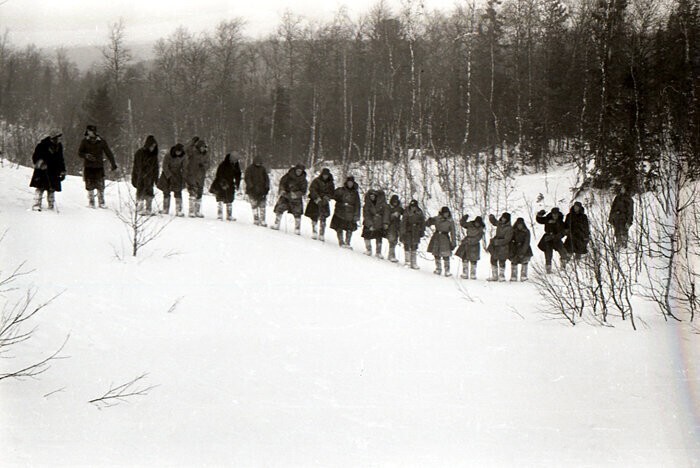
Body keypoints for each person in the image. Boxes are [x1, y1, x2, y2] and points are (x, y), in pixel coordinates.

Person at [78, 125, 117, 208]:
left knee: (100, 186)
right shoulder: (84, 141)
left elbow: (108, 152)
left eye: (91, 131)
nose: (89, 133)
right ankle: (91, 202)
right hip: (88, 166)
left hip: (99, 166)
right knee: (89, 185)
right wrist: (86, 155)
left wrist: (113, 163)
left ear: (94, 132)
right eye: (88, 131)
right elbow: (80, 153)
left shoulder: (101, 141)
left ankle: (101, 202)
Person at [29, 131, 65, 211]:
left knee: (51, 189)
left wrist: (62, 170)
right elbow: (35, 157)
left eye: (58, 137)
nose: (58, 139)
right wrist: (41, 163)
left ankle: (51, 206)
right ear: (51, 138)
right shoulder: (42, 145)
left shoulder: (59, 147)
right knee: (40, 188)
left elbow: (61, 159)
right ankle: (36, 205)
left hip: (54, 171)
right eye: (56, 137)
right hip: (42, 171)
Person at [272, 163, 308, 234]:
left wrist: (297, 194)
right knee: (279, 209)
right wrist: (282, 190)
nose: (299, 172)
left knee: (297, 213)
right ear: (295, 170)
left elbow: (303, 191)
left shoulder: (304, 180)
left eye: (300, 171)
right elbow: (282, 183)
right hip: (285, 196)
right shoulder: (288, 176)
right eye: (298, 170)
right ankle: (276, 224)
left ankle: (297, 228)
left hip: (296, 198)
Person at [131, 135, 159, 215]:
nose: (152, 148)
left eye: (154, 146)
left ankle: (148, 209)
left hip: (150, 177)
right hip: (140, 176)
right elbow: (136, 166)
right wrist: (136, 176)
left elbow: (156, 168)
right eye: (151, 146)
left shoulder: (154, 155)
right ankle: (139, 208)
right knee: (140, 191)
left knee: (149, 192)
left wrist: (156, 178)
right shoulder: (139, 153)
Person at [304, 168, 335, 241]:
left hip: (324, 202)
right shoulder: (316, 181)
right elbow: (312, 189)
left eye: (326, 175)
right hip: (315, 201)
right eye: (324, 175)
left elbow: (332, 192)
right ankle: (314, 231)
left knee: (323, 218)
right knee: (314, 216)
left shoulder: (331, 183)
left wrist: (327, 197)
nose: (325, 176)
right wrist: (316, 197)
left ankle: (322, 233)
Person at [209, 153, 242, 221]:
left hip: (230, 184)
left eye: (236, 160)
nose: (236, 161)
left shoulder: (236, 165)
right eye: (235, 159)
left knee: (230, 199)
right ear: (231, 158)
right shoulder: (223, 164)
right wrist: (222, 183)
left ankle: (229, 215)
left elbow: (238, 175)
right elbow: (219, 174)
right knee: (220, 199)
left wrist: (237, 183)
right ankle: (220, 215)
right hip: (220, 183)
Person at [331, 175, 361, 249]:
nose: (350, 184)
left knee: (349, 229)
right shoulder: (341, 190)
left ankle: (348, 242)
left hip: (350, 213)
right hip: (340, 211)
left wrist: (356, 215)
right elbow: (333, 196)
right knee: (339, 227)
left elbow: (358, 205)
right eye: (349, 182)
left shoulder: (355, 193)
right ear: (346, 183)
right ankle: (341, 241)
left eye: (351, 183)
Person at [536, 207, 569, 273]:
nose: (554, 215)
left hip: (557, 239)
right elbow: (539, 220)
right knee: (548, 254)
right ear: (551, 214)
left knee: (563, 252)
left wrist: (558, 236)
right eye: (553, 214)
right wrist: (539, 215)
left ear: (558, 214)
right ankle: (548, 269)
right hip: (548, 238)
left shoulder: (561, 222)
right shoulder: (547, 219)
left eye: (556, 214)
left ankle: (563, 268)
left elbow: (564, 231)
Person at [426, 206, 457, 277]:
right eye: (445, 213)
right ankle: (438, 268)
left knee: (446, 254)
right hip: (436, 237)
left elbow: (453, 232)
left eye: (447, 213)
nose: (446, 214)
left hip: (445, 238)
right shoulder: (437, 219)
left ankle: (447, 270)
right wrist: (429, 220)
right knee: (436, 253)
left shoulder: (450, 221)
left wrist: (453, 242)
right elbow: (427, 224)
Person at [157, 143, 186, 216]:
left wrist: (183, 175)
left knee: (178, 192)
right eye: (177, 151)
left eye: (180, 152)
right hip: (167, 175)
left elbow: (184, 167)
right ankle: (165, 209)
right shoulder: (168, 155)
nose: (178, 153)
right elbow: (165, 166)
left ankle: (178, 210)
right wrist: (169, 176)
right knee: (166, 192)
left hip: (178, 175)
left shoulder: (183, 156)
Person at [184, 137, 209, 218]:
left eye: (204, 147)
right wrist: (192, 142)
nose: (202, 149)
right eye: (201, 147)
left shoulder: (206, 155)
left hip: (201, 177)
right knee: (192, 193)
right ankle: (191, 211)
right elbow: (186, 150)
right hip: (192, 175)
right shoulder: (193, 152)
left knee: (199, 194)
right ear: (198, 147)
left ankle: (197, 211)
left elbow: (208, 164)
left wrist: (204, 166)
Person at [455, 214, 485, 279]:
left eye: (478, 223)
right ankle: (465, 273)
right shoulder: (470, 225)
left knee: (473, 260)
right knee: (464, 258)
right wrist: (464, 218)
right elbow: (462, 223)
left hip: (474, 245)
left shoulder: (481, 230)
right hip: (466, 243)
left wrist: (470, 241)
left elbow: (478, 238)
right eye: (476, 222)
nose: (477, 224)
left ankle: (473, 274)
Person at [362, 189, 389, 258]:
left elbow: (386, 213)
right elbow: (366, 215)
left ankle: (378, 252)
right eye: (371, 196)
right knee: (366, 235)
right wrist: (369, 224)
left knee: (379, 236)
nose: (372, 197)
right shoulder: (367, 205)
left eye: (373, 196)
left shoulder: (382, 204)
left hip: (379, 222)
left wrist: (385, 222)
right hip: (369, 222)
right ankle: (368, 249)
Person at [487, 212, 513, 282]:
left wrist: (497, 242)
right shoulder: (499, 223)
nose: (503, 219)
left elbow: (507, 239)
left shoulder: (509, 228)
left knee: (502, 260)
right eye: (503, 218)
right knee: (493, 259)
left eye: (505, 218)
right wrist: (491, 217)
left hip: (503, 246)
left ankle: (502, 276)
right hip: (495, 246)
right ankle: (494, 276)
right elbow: (494, 222)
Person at [244, 156, 271, 226]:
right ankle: (256, 219)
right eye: (257, 162)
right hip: (252, 190)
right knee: (254, 205)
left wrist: (267, 187)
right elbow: (247, 178)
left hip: (262, 190)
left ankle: (263, 220)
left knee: (262, 206)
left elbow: (267, 179)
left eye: (259, 162)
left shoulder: (263, 169)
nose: (258, 163)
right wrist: (251, 186)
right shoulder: (250, 168)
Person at [399, 199, 425, 269]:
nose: (413, 207)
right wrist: (402, 231)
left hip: (416, 231)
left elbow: (422, 222)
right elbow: (403, 222)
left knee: (414, 246)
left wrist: (422, 230)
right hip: (408, 230)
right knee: (406, 245)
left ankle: (414, 262)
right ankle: (407, 261)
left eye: (414, 206)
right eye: (412, 206)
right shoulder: (406, 212)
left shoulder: (420, 212)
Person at [509, 217, 533, 281]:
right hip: (515, 248)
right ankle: (513, 276)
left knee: (524, 261)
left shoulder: (526, 231)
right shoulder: (513, 231)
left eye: (521, 225)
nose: (519, 226)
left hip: (525, 248)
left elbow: (527, 242)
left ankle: (523, 276)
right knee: (514, 261)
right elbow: (511, 240)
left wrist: (523, 252)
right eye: (518, 224)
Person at [385, 195, 404, 263]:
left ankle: (392, 255)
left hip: (397, 225)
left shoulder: (399, 208)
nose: (395, 203)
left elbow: (403, 212)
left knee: (395, 240)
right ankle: (391, 255)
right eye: (394, 201)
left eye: (396, 201)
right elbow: (386, 216)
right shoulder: (388, 207)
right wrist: (392, 215)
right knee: (392, 240)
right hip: (391, 225)